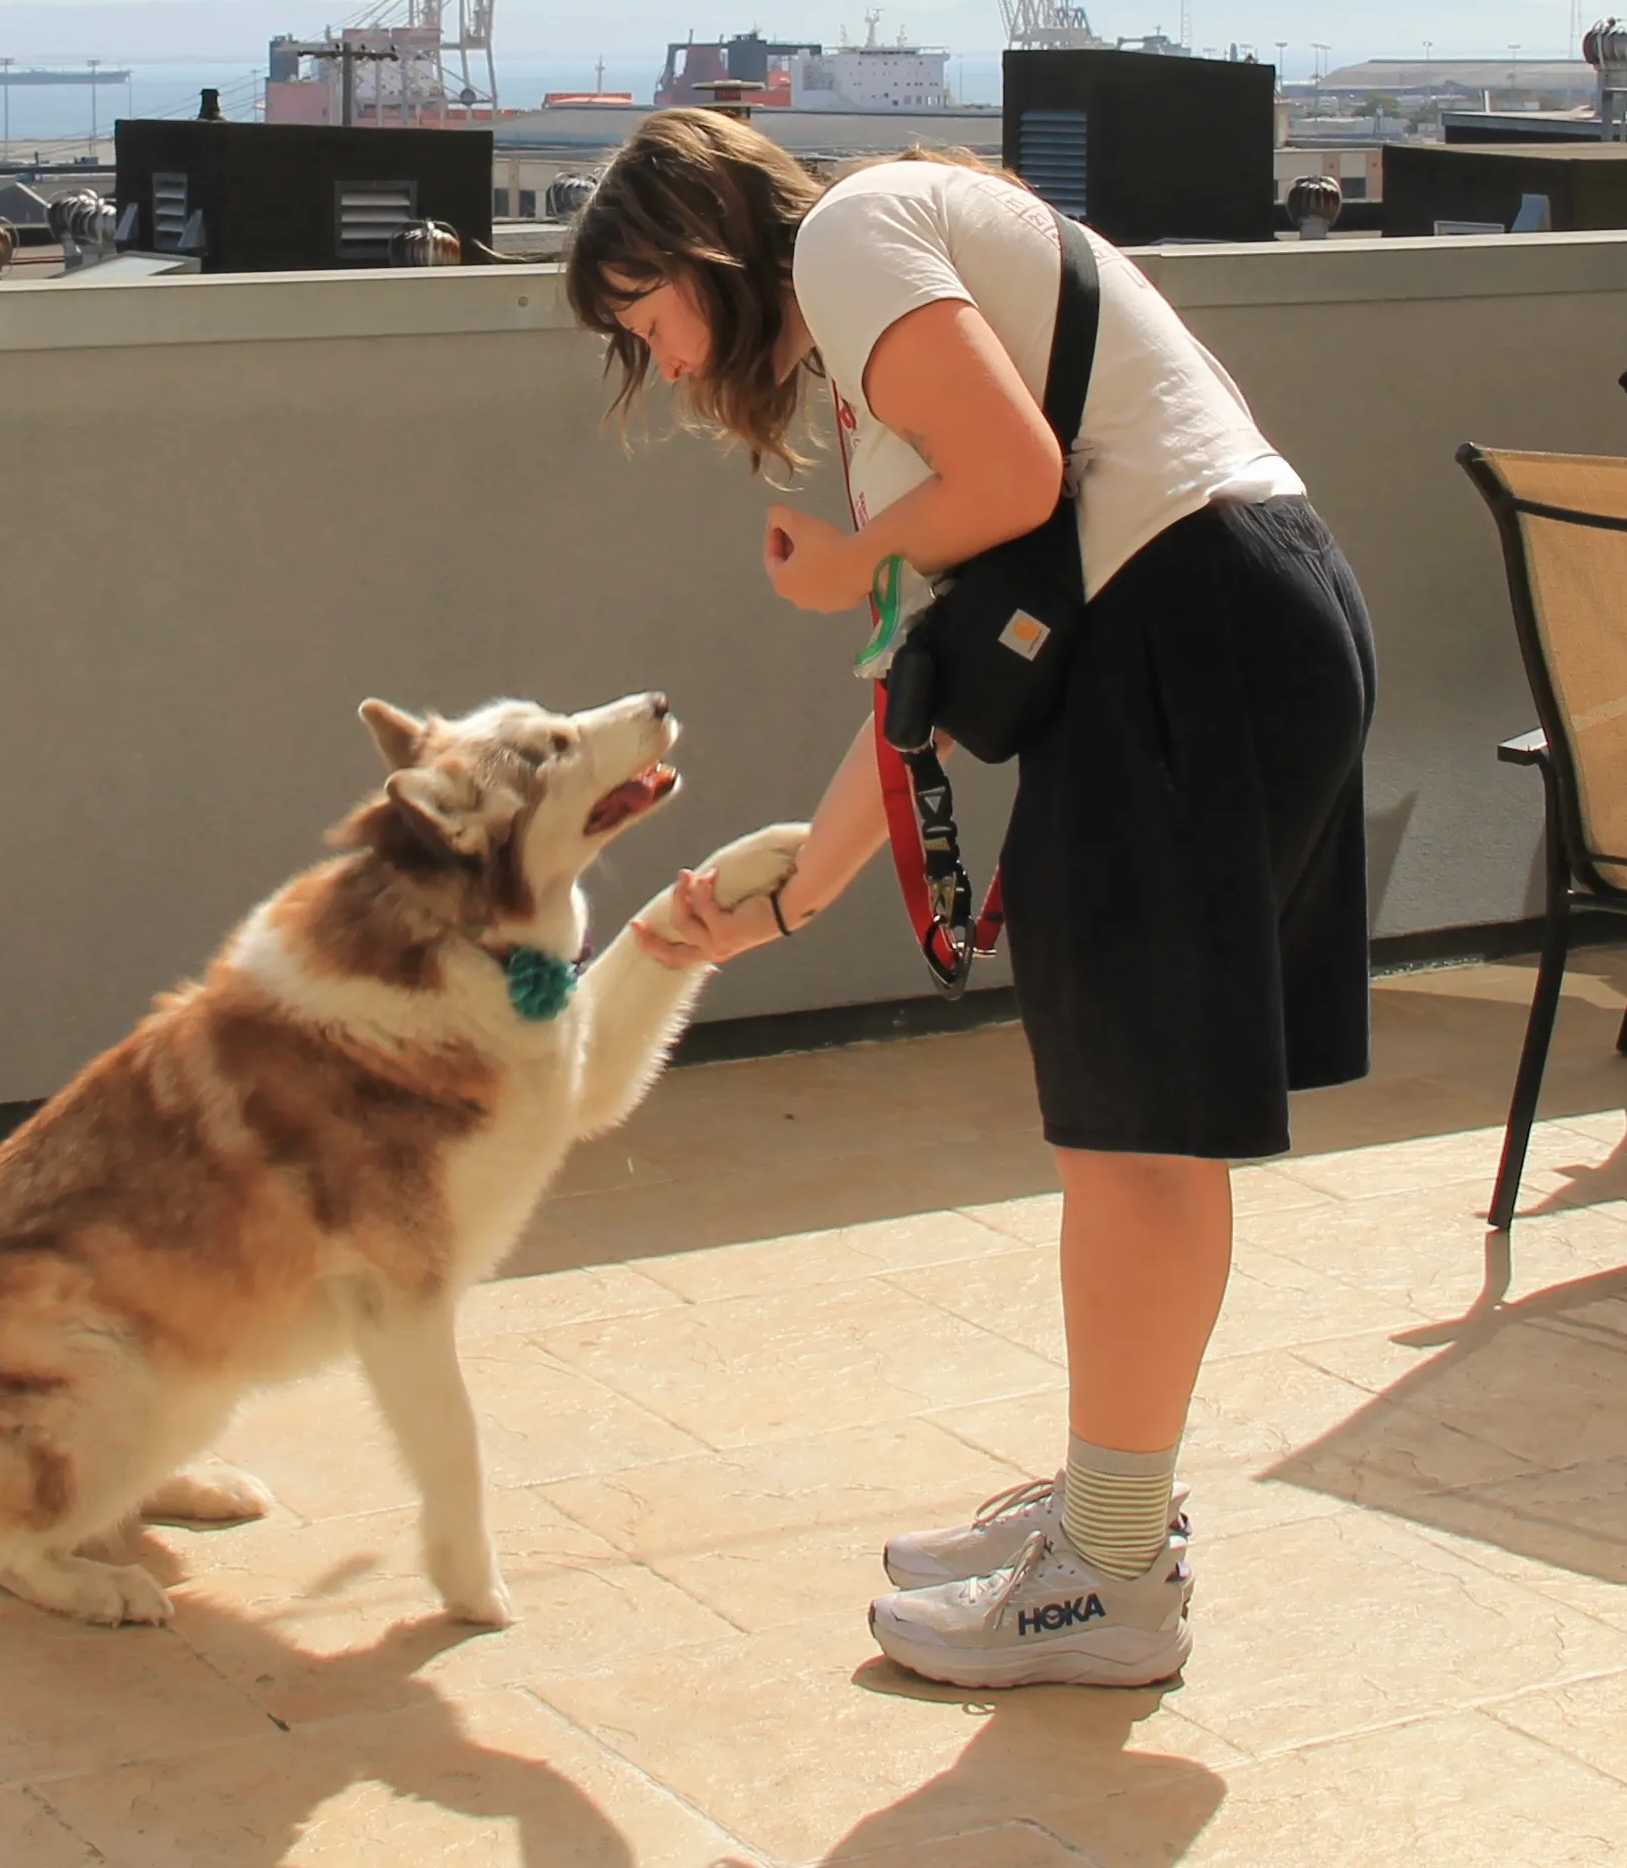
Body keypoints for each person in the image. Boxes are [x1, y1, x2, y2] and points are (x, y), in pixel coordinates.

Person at [564, 107, 1374, 1690]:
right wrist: (802, 884)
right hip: (1219, 623)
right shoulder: (880, 283)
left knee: (1135, 1134)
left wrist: (841, 557)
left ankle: (1110, 1578)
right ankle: (1104, 1516)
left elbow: (1011, 477)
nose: (662, 366)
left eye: (648, 320)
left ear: (706, 251)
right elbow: (928, 661)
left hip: (1190, 636)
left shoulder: (850, 239)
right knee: (1128, 1122)